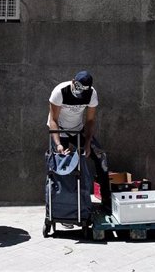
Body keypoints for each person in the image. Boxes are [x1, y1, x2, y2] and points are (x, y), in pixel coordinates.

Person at [47, 71, 111, 213]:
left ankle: (107, 203)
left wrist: (87, 143)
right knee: (62, 164)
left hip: (78, 129)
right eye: (78, 88)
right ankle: (62, 208)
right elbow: (53, 120)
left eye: (83, 90)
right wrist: (58, 143)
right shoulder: (60, 91)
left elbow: (90, 120)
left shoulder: (91, 94)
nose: (80, 92)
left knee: (101, 157)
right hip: (60, 129)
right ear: (73, 81)